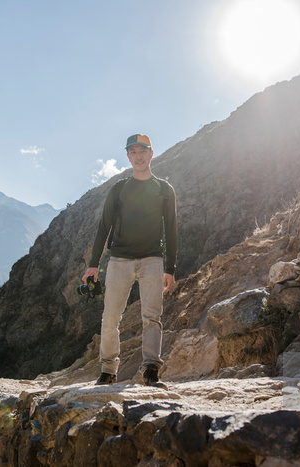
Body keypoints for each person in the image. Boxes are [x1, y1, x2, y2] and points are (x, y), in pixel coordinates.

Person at [82, 134, 177, 388]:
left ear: (151, 154)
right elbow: (104, 226)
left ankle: (151, 371)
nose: (138, 156)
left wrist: (171, 269)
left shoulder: (164, 190)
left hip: (152, 261)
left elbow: (172, 230)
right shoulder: (119, 188)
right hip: (119, 260)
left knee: (152, 316)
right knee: (111, 316)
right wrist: (93, 264)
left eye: (142, 151)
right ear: (128, 156)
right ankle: (108, 370)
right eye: (133, 151)